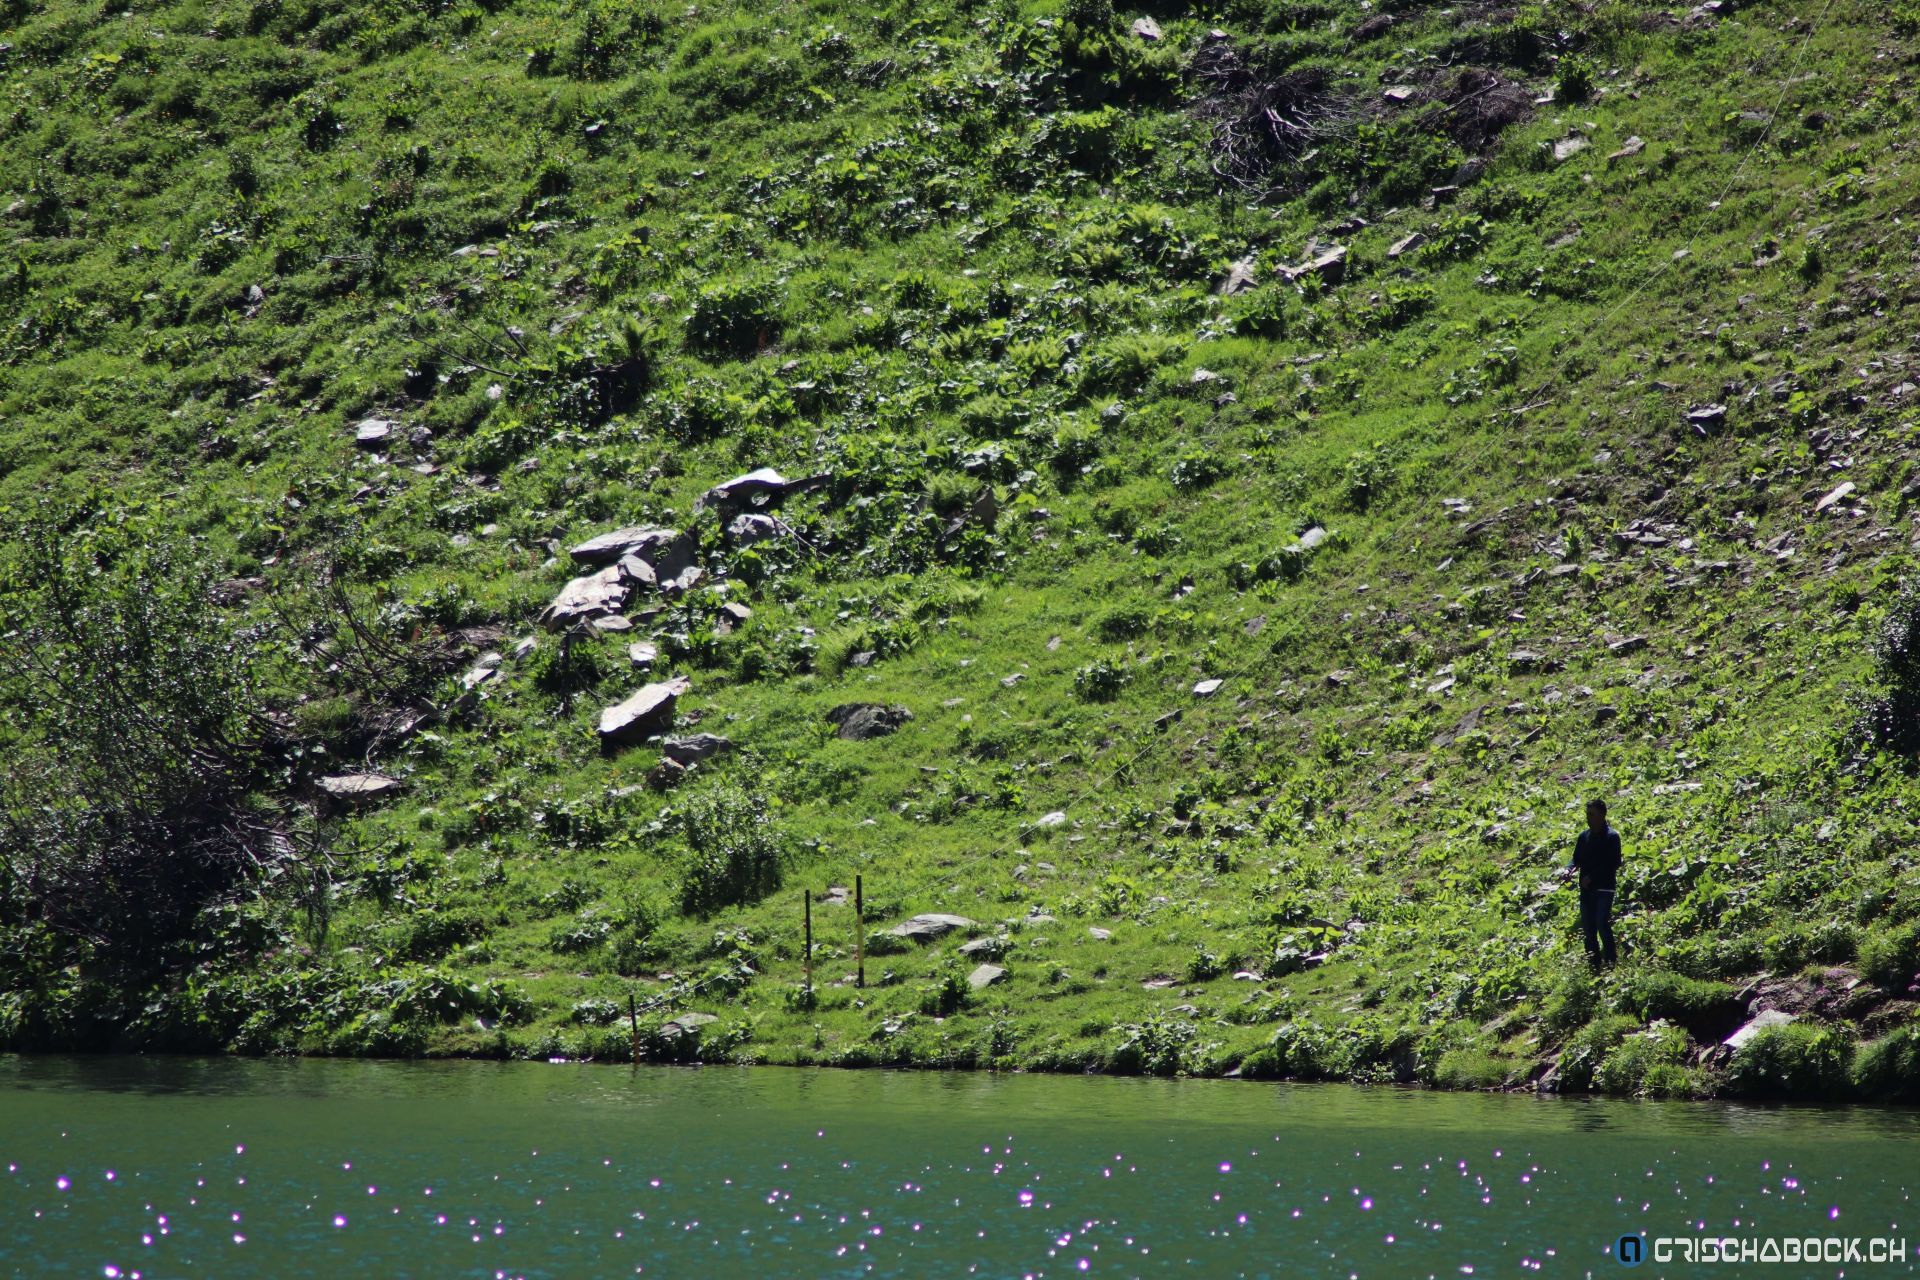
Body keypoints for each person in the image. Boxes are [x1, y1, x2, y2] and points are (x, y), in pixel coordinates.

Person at [1569, 799, 1622, 967]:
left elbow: (1612, 863)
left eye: (1592, 814)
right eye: (1587, 814)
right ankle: (1594, 964)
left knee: (1601, 923)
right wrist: (1568, 869)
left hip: (1604, 888)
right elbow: (1576, 859)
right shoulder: (1583, 836)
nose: (1588, 818)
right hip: (1587, 890)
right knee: (1588, 928)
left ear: (1602, 815)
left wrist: (1591, 877)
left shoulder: (1612, 837)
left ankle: (1611, 962)